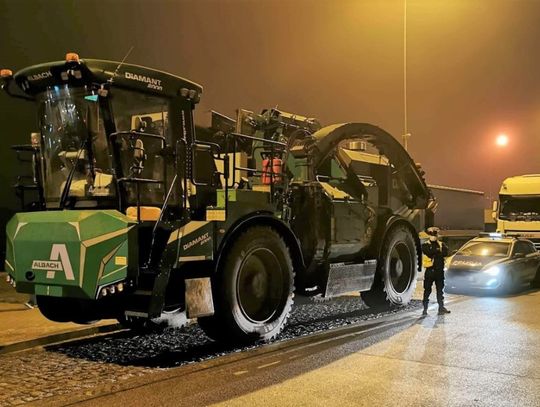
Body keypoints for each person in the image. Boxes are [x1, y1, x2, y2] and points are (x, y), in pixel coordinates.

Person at [422, 227, 451, 316]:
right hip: (430, 271)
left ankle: (441, 308)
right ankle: (425, 309)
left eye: (435, 235)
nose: (433, 236)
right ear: (429, 235)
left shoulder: (442, 244)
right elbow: (428, 252)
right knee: (427, 290)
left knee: (440, 290)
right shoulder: (425, 245)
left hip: (439, 272)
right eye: (431, 235)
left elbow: (446, 252)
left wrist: (435, 251)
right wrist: (437, 251)